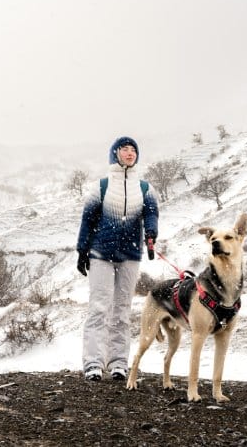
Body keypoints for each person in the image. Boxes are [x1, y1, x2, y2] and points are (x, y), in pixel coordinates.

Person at [75, 136, 159, 381]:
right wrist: (82, 250)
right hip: (101, 254)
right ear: (115, 154)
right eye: (125, 149)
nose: (130, 152)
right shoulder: (101, 186)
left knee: (122, 310)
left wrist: (151, 236)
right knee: (99, 308)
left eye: (133, 149)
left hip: (130, 255)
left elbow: (151, 214)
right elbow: (87, 220)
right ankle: (92, 364)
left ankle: (119, 364)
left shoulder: (144, 188)